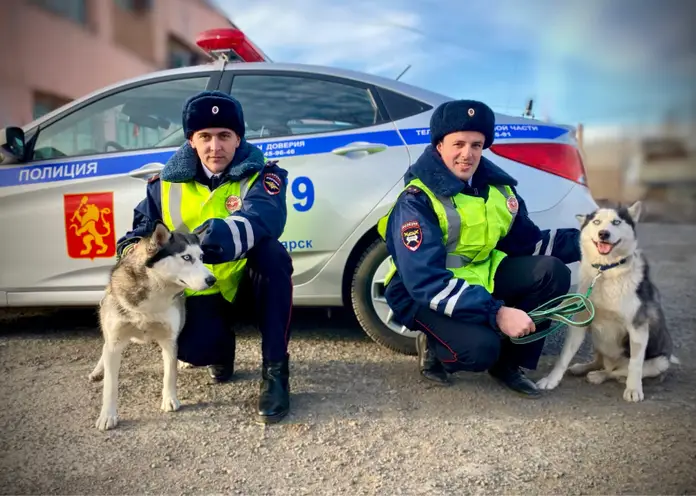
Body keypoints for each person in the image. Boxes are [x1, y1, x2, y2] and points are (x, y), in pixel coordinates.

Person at [377, 99, 581, 398]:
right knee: (480, 349)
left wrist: (589, 243)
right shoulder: (416, 200)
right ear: (439, 146)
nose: (467, 154)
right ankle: (434, 346)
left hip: (478, 277)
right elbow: (425, 281)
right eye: (458, 143)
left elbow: (526, 243)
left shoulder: (500, 190)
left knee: (552, 272)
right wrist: (497, 313)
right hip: (421, 291)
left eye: (476, 145)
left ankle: (510, 366)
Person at [116, 90, 294, 423]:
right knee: (197, 350)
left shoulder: (262, 176)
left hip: (244, 286)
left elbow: (266, 218)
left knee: (272, 255)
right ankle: (219, 352)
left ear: (238, 138)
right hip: (198, 292)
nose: (216, 147)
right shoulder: (161, 185)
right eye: (206, 137)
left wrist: (201, 242)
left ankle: (275, 372)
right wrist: (140, 259)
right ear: (191, 141)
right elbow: (134, 239)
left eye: (225, 136)